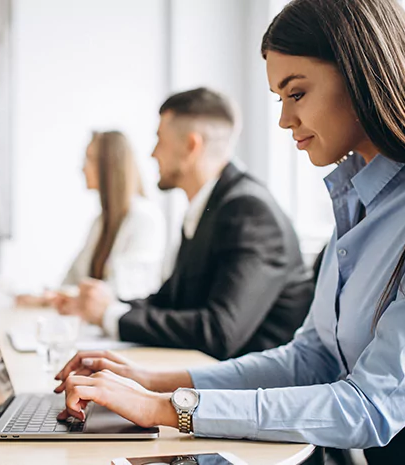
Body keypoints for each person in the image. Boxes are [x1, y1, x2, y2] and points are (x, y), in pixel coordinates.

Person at [51, 1, 405, 463]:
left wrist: (167, 408)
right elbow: (312, 358)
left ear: (362, 76)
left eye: (297, 92)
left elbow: (370, 406)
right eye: (280, 98)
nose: (285, 119)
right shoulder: (361, 200)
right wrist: (152, 381)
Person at [55, 88, 313, 360]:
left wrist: (110, 315)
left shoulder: (250, 212)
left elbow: (219, 331)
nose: (153, 154)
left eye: (160, 140)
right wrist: (107, 304)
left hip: (255, 390)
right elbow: (170, 301)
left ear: (191, 146)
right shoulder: (209, 207)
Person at [17, 131, 166, 306]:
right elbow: (73, 278)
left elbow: (123, 289)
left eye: (90, 159)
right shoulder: (101, 222)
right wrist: (48, 296)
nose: (82, 168)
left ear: (109, 165)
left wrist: (56, 297)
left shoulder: (145, 218)